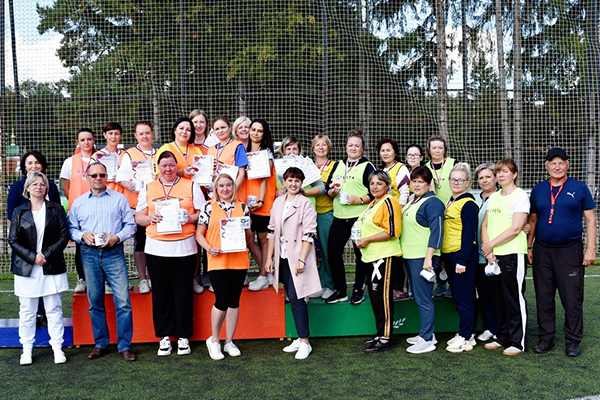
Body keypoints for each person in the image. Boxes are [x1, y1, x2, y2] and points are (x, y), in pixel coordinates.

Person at [528, 148, 597, 357]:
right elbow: (533, 220)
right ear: (546, 166)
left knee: (572, 297)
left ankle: (573, 340)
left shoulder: (579, 188)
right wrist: (529, 247)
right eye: (553, 163)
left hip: (570, 250)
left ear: (567, 165)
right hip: (542, 250)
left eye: (561, 163)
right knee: (544, 296)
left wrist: (590, 249)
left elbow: (591, 220)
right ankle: (546, 338)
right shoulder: (538, 190)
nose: (557, 167)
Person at [135, 151, 205, 356]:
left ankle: (183, 336)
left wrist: (190, 218)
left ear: (177, 166)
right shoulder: (148, 187)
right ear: (158, 167)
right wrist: (149, 218)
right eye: (164, 165)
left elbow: (203, 213)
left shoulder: (191, 185)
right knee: (161, 293)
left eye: (172, 165)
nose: (168, 169)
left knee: (183, 292)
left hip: (184, 247)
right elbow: (138, 216)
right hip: (156, 247)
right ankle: (164, 336)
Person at [67, 162, 137, 362]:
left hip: (114, 253)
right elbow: (71, 229)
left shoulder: (119, 199)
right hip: (89, 254)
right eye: (94, 175)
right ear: (87, 177)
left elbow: (131, 226)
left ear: (107, 177)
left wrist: (116, 237)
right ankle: (101, 343)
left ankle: (125, 346)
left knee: (123, 302)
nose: (98, 178)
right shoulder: (79, 203)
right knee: (95, 302)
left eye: (102, 175)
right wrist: (82, 236)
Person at [8, 172, 69, 365]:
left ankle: (57, 349)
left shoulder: (56, 209)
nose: (38, 187)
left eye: (42, 184)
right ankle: (26, 351)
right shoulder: (19, 212)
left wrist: (46, 255)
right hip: (27, 269)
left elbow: (64, 236)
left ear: (46, 188)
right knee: (27, 311)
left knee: (54, 310)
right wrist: (32, 257)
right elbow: (13, 240)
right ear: (27, 188)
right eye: (34, 184)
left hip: (51, 266)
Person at [265, 167, 320, 359]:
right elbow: (272, 231)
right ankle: (299, 337)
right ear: (284, 182)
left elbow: (309, 234)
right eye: (290, 180)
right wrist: (268, 258)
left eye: (297, 181)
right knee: (291, 296)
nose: (293, 184)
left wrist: (301, 260)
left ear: (302, 183)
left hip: (297, 257)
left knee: (298, 297)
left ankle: (305, 341)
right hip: (282, 257)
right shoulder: (278, 202)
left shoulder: (306, 204)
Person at [196, 174, 251, 360]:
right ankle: (214, 340)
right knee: (222, 299)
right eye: (221, 186)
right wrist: (209, 248)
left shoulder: (243, 207)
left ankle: (229, 341)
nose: (225, 189)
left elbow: (248, 235)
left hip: (239, 260)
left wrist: (243, 235)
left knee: (234, 301)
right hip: (218, 260)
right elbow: (199, 234)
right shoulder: (208, 207)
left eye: (229, 185)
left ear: (233, 187)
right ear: (216, 188)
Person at [481, 158, 530, 356]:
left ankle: (518, 342)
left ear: (514, 174)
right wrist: (489, 250)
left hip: (513, 254)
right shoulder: (494, 197)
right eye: (498, 172)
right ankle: (503, 337)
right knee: (498, 299)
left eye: (505, 171)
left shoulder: (521, 196)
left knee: (513, 298)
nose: (501, 175)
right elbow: (485, 224)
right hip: (494, 256)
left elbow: (516, 228)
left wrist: (491, 244)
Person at [325, 130, 375, 304]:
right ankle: (340, 290)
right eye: (350, 145)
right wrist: (332, 192)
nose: (353, 148)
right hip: (340, 216)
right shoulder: (339, 165)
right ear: (345, 147)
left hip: (358, 218)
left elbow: (375, 192)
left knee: (360, 254)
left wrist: (358, 200)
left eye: (357, 146)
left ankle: (358, 290)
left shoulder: (367, 166)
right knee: (333, 252)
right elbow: (328, 188)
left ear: (362, 148)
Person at [356, 170, 402, 353]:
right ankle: (380, 332)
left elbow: (393, 231)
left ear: (387, 186)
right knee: (375, 296)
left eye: (379, 183)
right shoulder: (373, 203)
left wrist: (368, 239)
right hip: (371, 257)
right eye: (372, 183)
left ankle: (385, 338)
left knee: (383, 297)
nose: (375, 187)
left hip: (385, 256)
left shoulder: (389, 202)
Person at [401, 166, 444, 354]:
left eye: (421, 182)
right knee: (418, 297)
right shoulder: (413, 200)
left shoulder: (433, 202)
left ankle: (427, 339)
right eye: (414, 181)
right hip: (410, 256)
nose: (417, 185)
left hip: (423, 258)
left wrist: (429, 259)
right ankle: (426, 334)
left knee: (424, 298)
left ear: (429, 184)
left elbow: (437, 232)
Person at [441, 163, 479, 353]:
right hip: (450, 255)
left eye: (460, 180)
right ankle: (465, 332)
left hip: (462, 256)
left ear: (467, 182)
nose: (456, 182)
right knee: (458, 295)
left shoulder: (468, 204)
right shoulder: (451, 201)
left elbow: (469, 234)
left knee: (464, 297)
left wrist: (462, 260)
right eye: (453, 179)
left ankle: (467, 336)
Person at [116, 121, 157, 294]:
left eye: (147, 133)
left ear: (152, 133)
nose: (144, 136)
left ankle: (155, 276)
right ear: (135, 136)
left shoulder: (159, 152)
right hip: (138, 205)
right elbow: (120, 178)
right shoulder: (130, 154)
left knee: (156, 241)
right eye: (141, 134)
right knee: (140, 241)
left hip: (157, 204)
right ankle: (142, 279)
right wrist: (129, 184)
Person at [60, 128, 96, 293]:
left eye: (89, 139)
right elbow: (65, 185)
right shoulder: (70, 161)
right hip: (78, 210)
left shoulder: (100, 158)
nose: (86, 142)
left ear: (94, 141)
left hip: (98, 208)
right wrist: (77, 202)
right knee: (81, 244)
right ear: (78, 142)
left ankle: (102, 278)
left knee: (99, 241)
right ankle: (82, 278)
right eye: (82, 140)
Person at [245, 119, 277, 291]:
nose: (255, 133)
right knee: (249, 239)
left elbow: (264, 179)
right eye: (253, 129)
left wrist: (261, 200)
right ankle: (267, 271)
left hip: (263, 204)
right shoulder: (243, 151)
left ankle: (263, 275)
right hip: (246, 203)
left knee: (264, 239)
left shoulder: (266, 153)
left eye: (260, 131)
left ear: (264, 134)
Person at [376, 138, 410, 302]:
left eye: (388, 150)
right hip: (383, 218)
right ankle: (391, 286)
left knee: (398, 253)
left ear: (395, 152)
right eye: (382, 150)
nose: (385, 153)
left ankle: (401, 289)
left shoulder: (401, 168)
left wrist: (398, 211)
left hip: (396, 216)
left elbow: (405, 191)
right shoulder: (381, 170)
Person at [425, 136, 455, 298]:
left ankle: (452, 284)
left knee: (450, 248)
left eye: (440, 147)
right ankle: (440, 283)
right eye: (434, 147)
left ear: (445, 149)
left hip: (451, 212)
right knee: (435, 247)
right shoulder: (425, 168)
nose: (437, 150)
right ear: (429, 150)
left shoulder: (454, 164)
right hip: (433, 213)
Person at [473, 162, 500, 342]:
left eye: (488, 177)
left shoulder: (501, 197)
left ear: (495, 178)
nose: (484, 180)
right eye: (481, 178)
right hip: (477, 255)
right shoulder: (474, 198)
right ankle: (489, 327)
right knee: (483, 294)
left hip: (495, 254)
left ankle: (500, 327)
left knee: (496, 294)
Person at [310, 134, 338, 300]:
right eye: (317, 145)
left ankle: (330, 285)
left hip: (326, 212)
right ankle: (318, 284)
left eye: (324, 145)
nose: (321, 148)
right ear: (313, 149)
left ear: (329, 148)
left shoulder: (335, 166)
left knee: (327, 250)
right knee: (314, 252)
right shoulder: (308, 166)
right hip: (309, 213)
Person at [7, 151, 61, 221]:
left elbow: (58, 210)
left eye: (37, 163)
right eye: (30, 163)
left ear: (42, 165)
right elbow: (11, 214)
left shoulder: (51, 185)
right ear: (25, 166)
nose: (34, 166)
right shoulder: (16, 187)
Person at [207, 116, 248, 198]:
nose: (220, 131)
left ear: (229, 127)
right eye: (217, 129)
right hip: (215, 195)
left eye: (223, 127)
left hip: (232, 195)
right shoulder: (211, 149)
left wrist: (232, 193)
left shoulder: (237, 146)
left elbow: (241, 173)